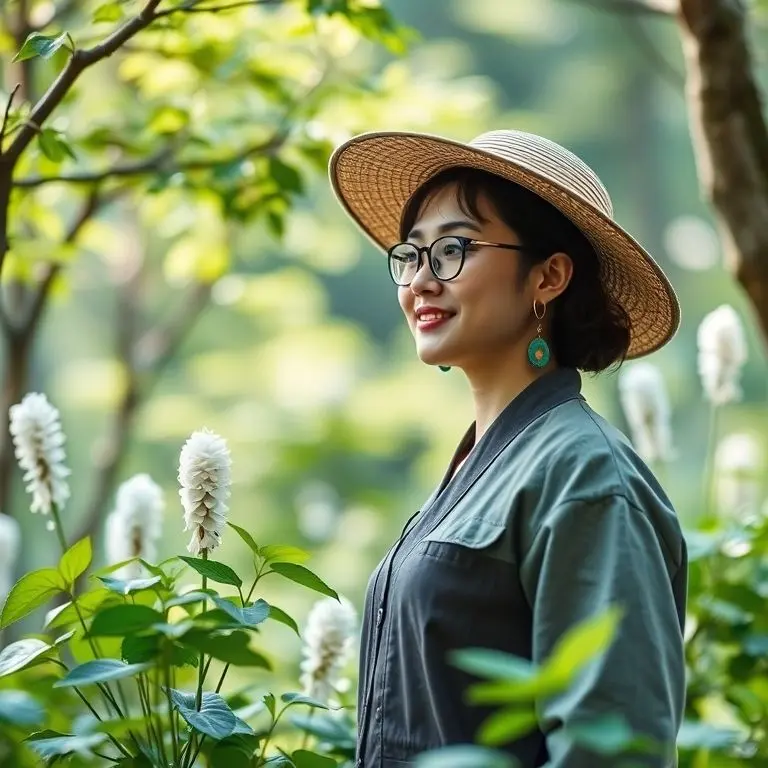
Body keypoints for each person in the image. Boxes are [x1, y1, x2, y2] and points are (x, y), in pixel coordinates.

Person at [329, 129, 688, 767]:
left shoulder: (586, 476)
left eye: (454, 249)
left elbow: (612, 748)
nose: (421, 281)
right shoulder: (480, 462)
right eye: (412, 255)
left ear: (548, 276)